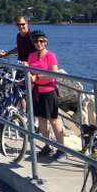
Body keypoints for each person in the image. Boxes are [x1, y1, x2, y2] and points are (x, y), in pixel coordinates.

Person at [25, 30, 66, 160]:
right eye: (36, 41)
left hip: (48, 91)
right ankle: (47, 146)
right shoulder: (31, 56)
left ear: (45, 42)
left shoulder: (50, 56)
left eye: (41, 41)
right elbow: (29, 71)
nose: (39, 43)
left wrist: (37, 77)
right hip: (37, 91)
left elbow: (54, 73)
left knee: (53, 119)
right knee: (42, 119)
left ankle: (62, 148)